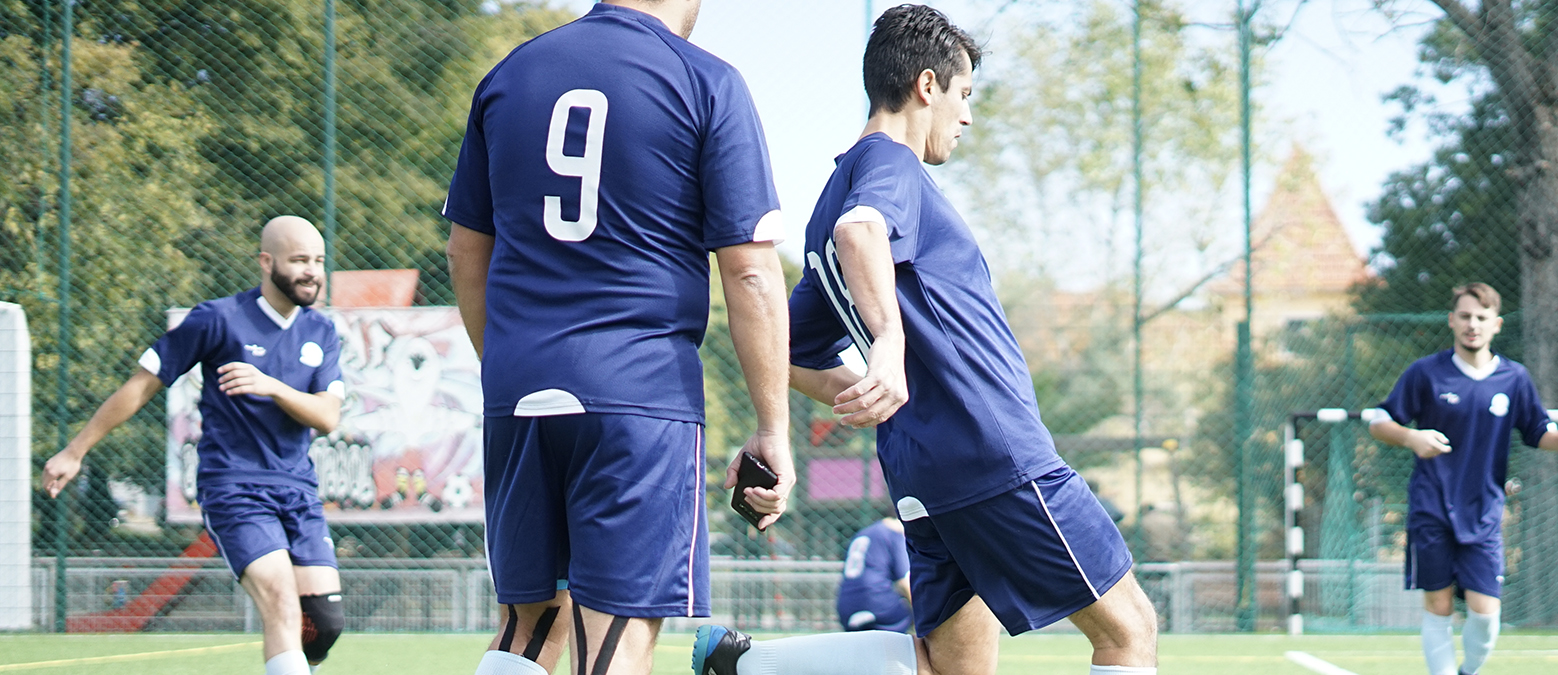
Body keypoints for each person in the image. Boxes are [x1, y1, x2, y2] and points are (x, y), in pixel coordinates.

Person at [693, 6, 1158, 675]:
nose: (967, 116)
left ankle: (745, 661)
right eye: (964, 95)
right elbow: (864, 230)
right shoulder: (891, 167)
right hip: (993, 452)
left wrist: (874, 388)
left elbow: (785, 347)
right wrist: (887, 344)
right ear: (927, 86)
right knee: (1129, 631)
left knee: (949, 663)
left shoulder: (831, 192)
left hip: (924, 467)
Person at [441, 0, 794, 673]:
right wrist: (772, 426)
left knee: (525, 628)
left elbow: (465, 253)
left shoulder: (509, 74)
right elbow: (749, 270)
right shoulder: (704, 79)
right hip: (637, 394)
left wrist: (510, 365)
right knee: (612, 641)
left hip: (518, 390)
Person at [41, 216, 346, 675]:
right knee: (281, 600)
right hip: (234, 488)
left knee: (323, 623)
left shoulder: (320, 331)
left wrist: (272, 387)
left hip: (297, 489)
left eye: (318, 261)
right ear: (266, 262)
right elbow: (142, 386)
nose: (312, 271)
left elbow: (327, 417)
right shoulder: (218, 318)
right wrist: (75, 450)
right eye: (299, 260)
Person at [1366, 282, 1558, 675]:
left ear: (1497, 324)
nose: (1473, 324)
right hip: (1431, 507)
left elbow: (1538, 431)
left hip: (1485, 513)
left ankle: (1468, 670)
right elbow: (1378, 421)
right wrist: (1412, 437)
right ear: (1452, 321)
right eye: (1466, 316)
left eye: (1482, 318)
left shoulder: (1514, 378)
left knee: (1486, 612)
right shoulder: (1425, 373)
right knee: (1437, 605)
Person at [837, 515, 912, 633]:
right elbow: (905, 582)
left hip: (847, 607)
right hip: (879, 605)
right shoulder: (894, 533)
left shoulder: (864, 533)